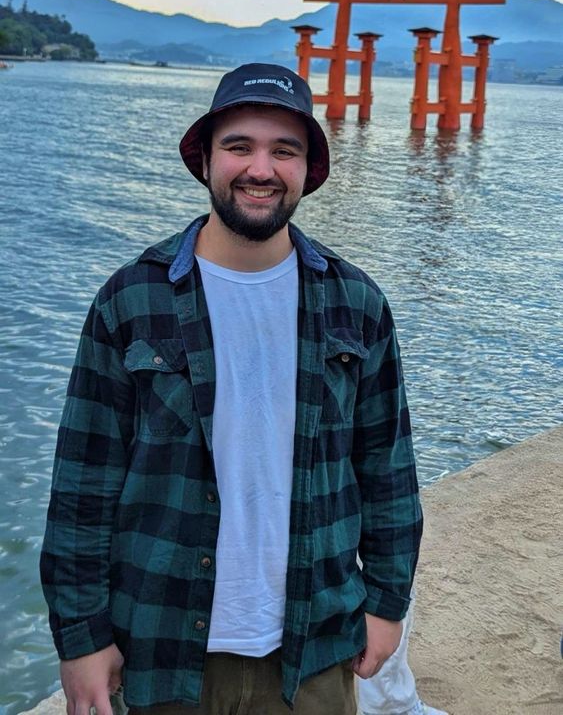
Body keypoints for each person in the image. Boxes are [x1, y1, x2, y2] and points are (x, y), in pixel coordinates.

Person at [41, 63, 423, 714]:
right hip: (160, 639)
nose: (260, 169)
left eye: (284, 150)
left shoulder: (355, 303)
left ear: (309, 169)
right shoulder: (132, 298)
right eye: (239, 146)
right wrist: (81, 639)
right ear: (206, 159)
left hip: (313, 643)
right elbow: (85, 484)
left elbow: (385, 470)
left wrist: (386, 604)